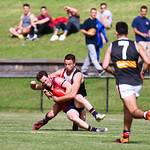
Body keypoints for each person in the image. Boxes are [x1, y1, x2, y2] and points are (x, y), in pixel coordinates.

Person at [102, 21, 150, 143]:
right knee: (127, 109)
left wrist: (114, 72)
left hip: (124, 82)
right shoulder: (136, 45)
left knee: (134, 111)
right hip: (137, 81)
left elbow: (104, 65)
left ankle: (147, 114)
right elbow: (148, 62)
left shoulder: (111, 46)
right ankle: (125, 136)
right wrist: (143, 72)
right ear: (128, 32)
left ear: (116, 33)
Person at [30, 70, 107, 132]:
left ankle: (96, 115)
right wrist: (33, 84)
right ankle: (96, 129)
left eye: (46, 80)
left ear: (49, 77)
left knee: (79, 97)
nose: (45, 83)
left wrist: (61, 98)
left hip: (71, 101)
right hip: (64, 105)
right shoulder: (45, 85)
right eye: (43, 82)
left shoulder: (57, 80)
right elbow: (35, 87)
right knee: (51, 115)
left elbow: (69, 87)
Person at [80, 8, 106, 77]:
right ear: (90, 13)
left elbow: (99, 31)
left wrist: (103, 38)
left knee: (89, 57)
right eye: (93, 13)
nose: (94, 14)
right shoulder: (87, 21)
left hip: (95, 42)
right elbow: (82, 30)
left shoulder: (96, 21)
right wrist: (88, 33)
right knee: (94, 56)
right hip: (89, 42)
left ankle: (83, 70)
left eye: (95, 13)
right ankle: (100, 70)